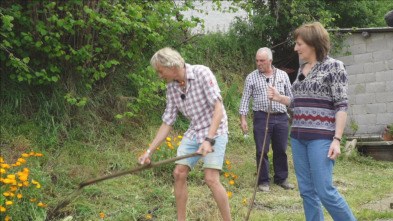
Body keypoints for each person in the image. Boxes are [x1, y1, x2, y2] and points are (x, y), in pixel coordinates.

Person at [267, 22, 357, 220]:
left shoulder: (334, 67)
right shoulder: (302, 69)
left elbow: (341, 106)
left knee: (325, 190)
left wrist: (337, 139)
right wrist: (280, 98)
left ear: (313, 43)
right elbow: (296, 103)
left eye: (299, 44)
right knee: (307, 191)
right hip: (298, 137)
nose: (295, 48)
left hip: (321, 138)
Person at [138, 47, 231, 221]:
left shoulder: (202, 73)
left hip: (215, 130)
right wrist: (149, 152)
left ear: (172, 67)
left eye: (160, 71)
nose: (159, 75)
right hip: (195, 130)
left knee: (211, 179)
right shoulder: (172, 88)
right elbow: (167, 121)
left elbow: (218, 109)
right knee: (179, 173)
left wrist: (209, 140)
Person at [239, 47, 295, 192]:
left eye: (262, 61)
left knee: (281, 149)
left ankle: (281, 179)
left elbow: (291, 98)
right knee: (261, 150)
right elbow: (245, 99)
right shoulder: (251, 77)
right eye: (257, 60)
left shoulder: (282, 75)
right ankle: (263, 181)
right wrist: (243, 119)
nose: (259, 63)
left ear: (270, 61)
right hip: (262, 117)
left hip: (281, 117)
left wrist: (297, 116)